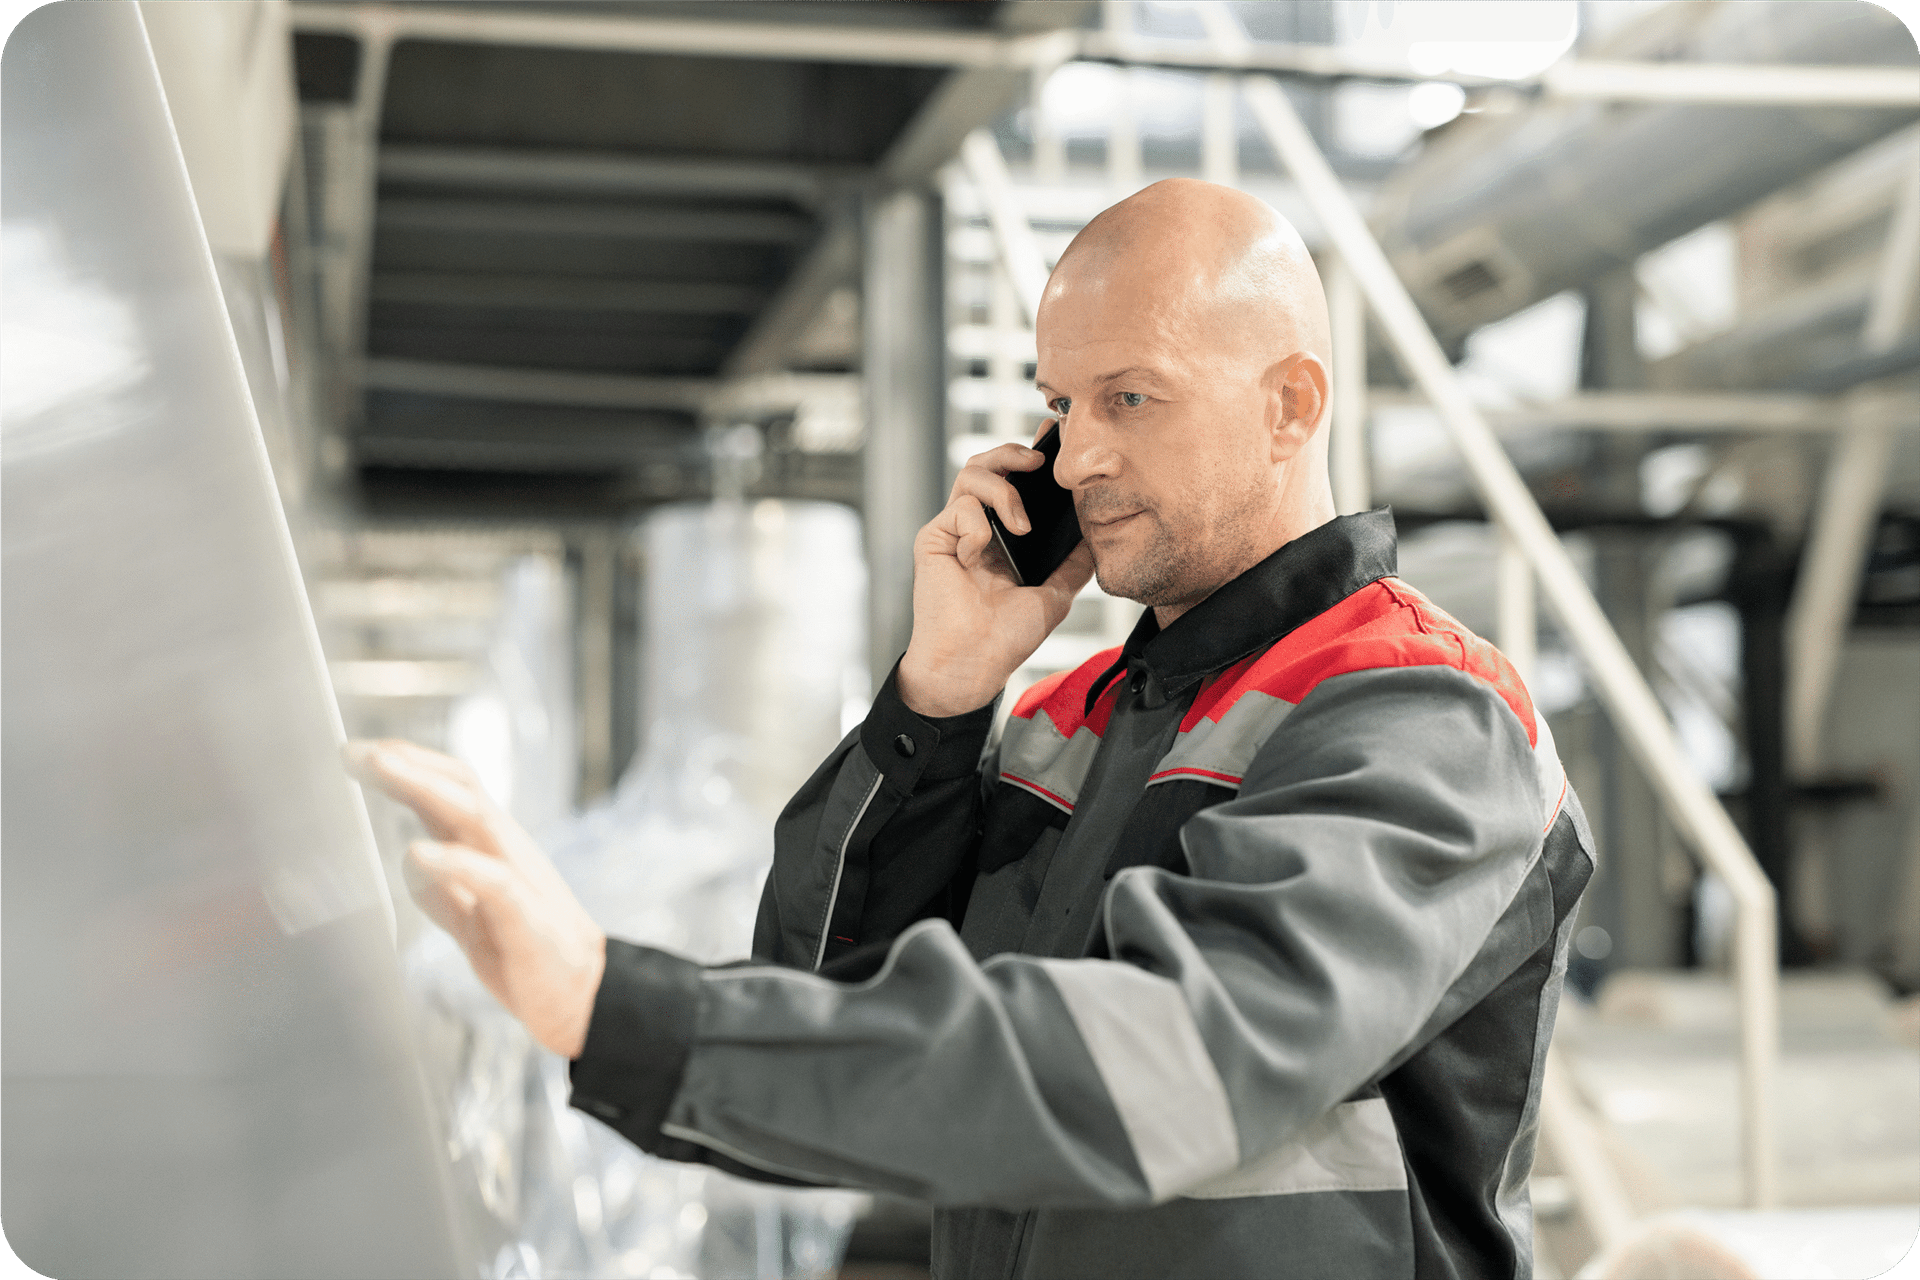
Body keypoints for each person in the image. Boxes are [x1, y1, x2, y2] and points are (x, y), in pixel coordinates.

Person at [350, 179, 1593, 1280]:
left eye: (1131, 395)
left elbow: (1167, 1059)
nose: (1080, 455)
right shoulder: (1065, 723)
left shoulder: (1421, 714)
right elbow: (833, 1003)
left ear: (1290, 405)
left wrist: (616, 1004)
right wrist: (936, 700)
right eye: (1061, 402)